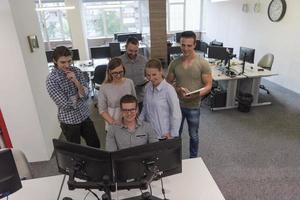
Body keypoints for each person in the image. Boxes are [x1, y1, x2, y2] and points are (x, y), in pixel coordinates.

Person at [166, 31, 212, 158]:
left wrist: (197, 95)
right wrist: (177, 89)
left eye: (189, 45)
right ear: (180, 44)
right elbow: (167, 83)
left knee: (194, 135)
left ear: (194, 44)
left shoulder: (203, 63)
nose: (185, 48)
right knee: (176, 134)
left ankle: (193, 159)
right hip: (177, 106)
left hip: (194, 106)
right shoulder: (174, 63)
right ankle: (174, 159)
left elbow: (208, 85)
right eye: (183, 45)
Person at [46, 46, 100, 148]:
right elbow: (66, 105)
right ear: (54, 61)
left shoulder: (77, 71)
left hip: (84, 115)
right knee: (76, 152)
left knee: (95, 144)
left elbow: (86, 96)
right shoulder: (51, 80)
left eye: (69, 61)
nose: (67, 65)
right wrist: (79, 94)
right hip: (69, 121)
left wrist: (76, 81)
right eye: (63, 62)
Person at [139, 59, 181, 140]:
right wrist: (138, 123)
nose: (151, 78)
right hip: (150, 133)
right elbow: (144, 108)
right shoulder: (147, 87)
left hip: (164, 135)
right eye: (148, 75)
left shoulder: (169, 90)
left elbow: (176, 113)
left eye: (154, 74)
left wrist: (173, 133)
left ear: (161, 71)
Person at [98, 57, 136, 129]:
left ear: (124, 69)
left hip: (129, 124)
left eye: (121, 72)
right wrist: (113, 123)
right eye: (115, 73)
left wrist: (134, 120)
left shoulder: (129, 82)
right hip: (113, 124)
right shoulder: (104, 87)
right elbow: (102, 110)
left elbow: (135, 102)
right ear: (109, 72)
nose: (118, 75)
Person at [119, 37, 147, 111]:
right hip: (125, 100)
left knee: (141, 121)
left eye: (136, 51)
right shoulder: (119, 62)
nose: (133, 53)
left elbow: (148, 76)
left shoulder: (144, 60)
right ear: (125, 48)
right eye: (130, 51)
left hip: (141, 98)